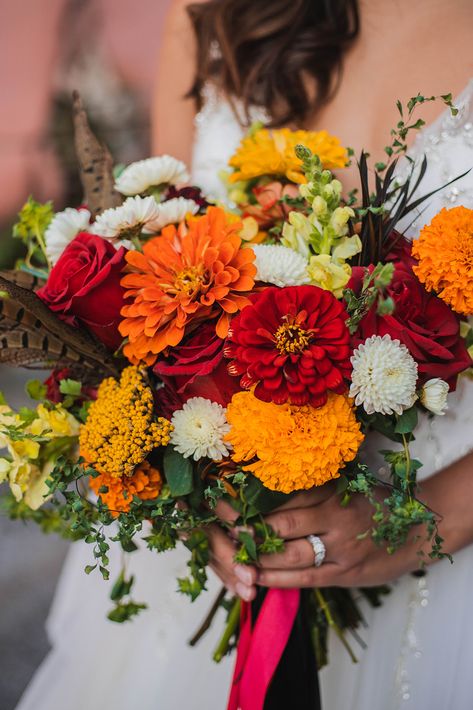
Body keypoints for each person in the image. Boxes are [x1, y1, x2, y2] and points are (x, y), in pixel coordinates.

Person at [17, 1, 473, 709]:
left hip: (441, 558)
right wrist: (194, 487)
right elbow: (160, 254)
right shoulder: (212, 11)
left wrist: (428, 522)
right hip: (218, 559)